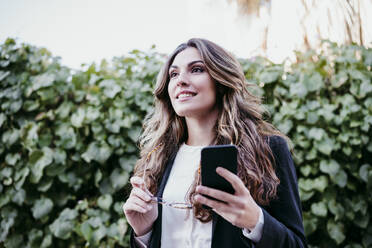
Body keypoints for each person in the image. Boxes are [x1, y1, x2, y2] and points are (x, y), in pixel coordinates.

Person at [123, 38, 307, 248]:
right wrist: (143, 233)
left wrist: (256, 221)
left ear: (221, 81)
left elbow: (297, 245)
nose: (180, 80)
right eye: (173, 74)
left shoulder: (268, 149)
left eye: (197, 69)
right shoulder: (158, 158)